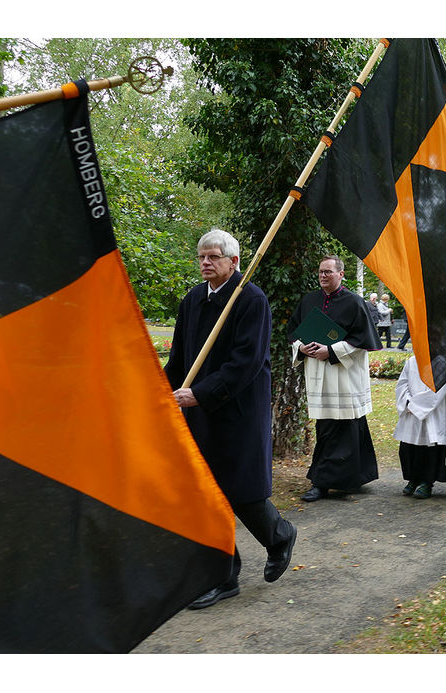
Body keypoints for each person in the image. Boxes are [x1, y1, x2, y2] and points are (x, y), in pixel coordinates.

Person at [165, 228, 296, 610]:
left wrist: (202, 394)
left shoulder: (250, 300)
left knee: (242, 492)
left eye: (213, 257)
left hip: (236, 409)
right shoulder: (192, 300)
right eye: (202, 257)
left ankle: (279, 536)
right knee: (206, 494)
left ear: (234, 261)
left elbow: (247, 363)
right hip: (196, 411)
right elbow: (179, 359)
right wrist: (161, 391)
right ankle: (223, 576)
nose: (205, 263)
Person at [288, 255, 382, 502]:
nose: (323, 276)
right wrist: (301, 348)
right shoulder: (310, 301)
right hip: (319, 375)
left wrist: (330, 351)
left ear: (341, 274)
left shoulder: (354, 302)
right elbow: (294, 333)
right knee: (327, 428)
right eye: (320, 272)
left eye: (328, 272)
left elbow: (362, 341)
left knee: (349, 426)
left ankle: (328, 481)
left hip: (344, 376)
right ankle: (335, 479)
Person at [394, 355, 446, 499]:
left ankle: (427, 482)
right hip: (410, 414)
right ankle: (413, 479)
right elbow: (402, 384)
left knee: (429, 450)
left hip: (432, 415)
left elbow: (439, 390)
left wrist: (417, 405)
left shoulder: (442, 363)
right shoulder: (412, 361)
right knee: (409, 448)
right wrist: (407, 402)